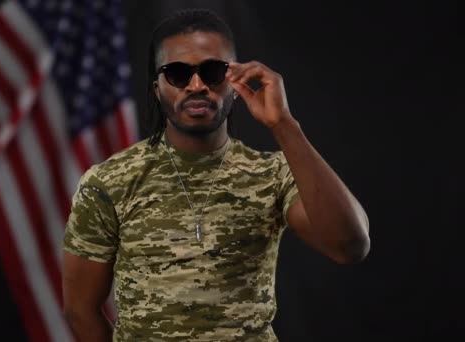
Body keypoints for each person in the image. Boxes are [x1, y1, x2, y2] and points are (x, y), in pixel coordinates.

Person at [61, 8, 370, 342]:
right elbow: (80, 310)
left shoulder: (273, 173)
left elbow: (349, 245)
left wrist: (283, 124)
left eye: (213, 72)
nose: (196, 86)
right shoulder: (108, 182)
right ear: (157, 88)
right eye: (178, 74)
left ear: (235, 83)